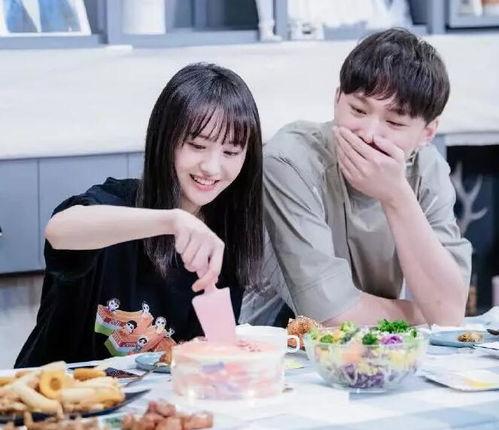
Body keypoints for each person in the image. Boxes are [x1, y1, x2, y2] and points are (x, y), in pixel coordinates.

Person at [16, 63, 263, 367]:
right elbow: (59, 231)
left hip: (155, 396)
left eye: (231, 152)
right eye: (197, 145)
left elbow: (208, 357)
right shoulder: (117, 203)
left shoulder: (224, 234)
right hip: (53, 392)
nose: (212, 167)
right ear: (165, 139)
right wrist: (171, 220)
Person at [240, 28, 471, 328]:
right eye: (358, 110)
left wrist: (396, 196)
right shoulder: (290, 160)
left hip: (378, 347)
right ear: (337, 99)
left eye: (394, 122)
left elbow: (450, 314)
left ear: (427, 133)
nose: (369, 134)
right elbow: (329, 316)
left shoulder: (427, 169)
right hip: (280, 341)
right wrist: (425, 313)